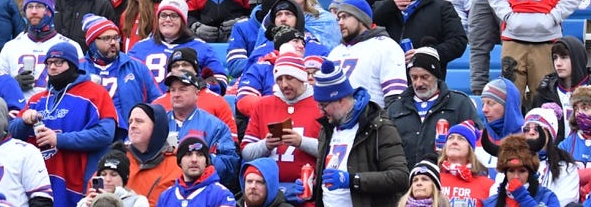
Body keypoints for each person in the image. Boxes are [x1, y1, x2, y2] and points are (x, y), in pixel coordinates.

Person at [9, 41, 118, 207]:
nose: (52, 67)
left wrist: (59, 139)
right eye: (49, 63)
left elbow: (105, 134)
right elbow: (11, 135)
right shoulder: (37, 100)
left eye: (58, 62)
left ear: (72, 64)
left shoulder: (95, 93)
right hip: (39, 184)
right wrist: (23, 122)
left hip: (77, 182)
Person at [307, 60, 407, 207]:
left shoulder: (379, 127)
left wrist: (353, 180)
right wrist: (312, 188)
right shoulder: (327, 128)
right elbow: (331, 181)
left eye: (324, 105)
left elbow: (400, 177)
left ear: (340, 99)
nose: (320, 111)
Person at [383, 46, 479, 168]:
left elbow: (474, 143)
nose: (418, 83)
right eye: (414, 77)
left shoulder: (460, 103)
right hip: (405, 182)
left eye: (424, 77)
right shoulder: (395, 107)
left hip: (446, 181)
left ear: (436, 75)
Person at [241, 53, 322, 188]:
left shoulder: (320, 105)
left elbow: (333, 151)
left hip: (309, 189)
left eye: (289, 78)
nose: (284, 84)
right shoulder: (263, 105)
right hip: (268, 191)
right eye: (279, 79)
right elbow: (246, 153)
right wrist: (266, 145)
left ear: (301, 77)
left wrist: (301, 142)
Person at [328, 0, 407, 106]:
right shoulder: (335, 52)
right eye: (339, 18)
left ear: (361, 18)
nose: (340, 22)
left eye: (345, 17)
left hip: (372, 119)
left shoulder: (386, 46)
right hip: (339, 120)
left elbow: (395, 97)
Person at [0, 0, 76, 95]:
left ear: (50, 11)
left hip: (55, 107)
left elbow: (81, 84)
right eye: (29, 7)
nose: (34, 11)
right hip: (20, 108)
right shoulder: (10, 47)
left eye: (39, 6)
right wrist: (13, 84)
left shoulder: (69, 46)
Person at [153, 132, 236, 207]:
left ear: (206, 162)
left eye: (200, 155)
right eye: (188, 154)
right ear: (180, 162)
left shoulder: (221, 194)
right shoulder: (166, 196)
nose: (194, 159)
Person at [482, 135, 562, 207]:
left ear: (530, 172)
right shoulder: (492, 203)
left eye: (522, 171)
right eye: (511, 171)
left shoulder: (547, 197)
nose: (516, 176)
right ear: (505, 173)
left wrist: (522, 197)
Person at [124, 103, 179, 206]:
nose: (132, 126)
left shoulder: (178, 165)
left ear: (157, 126)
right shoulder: (117, 160)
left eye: (139, 121)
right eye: (130, 122)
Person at [436, 121, 494, 207]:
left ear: (470, 148)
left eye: (461, 138)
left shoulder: (487, 185)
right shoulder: (432, 179)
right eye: (451, 138)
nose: (454, 142)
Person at [77, 149, 147, 207]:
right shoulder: (86, 202)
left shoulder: (138, 201)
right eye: (103, 174)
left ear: (124, 178)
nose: (107, 179)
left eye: (113, 175)